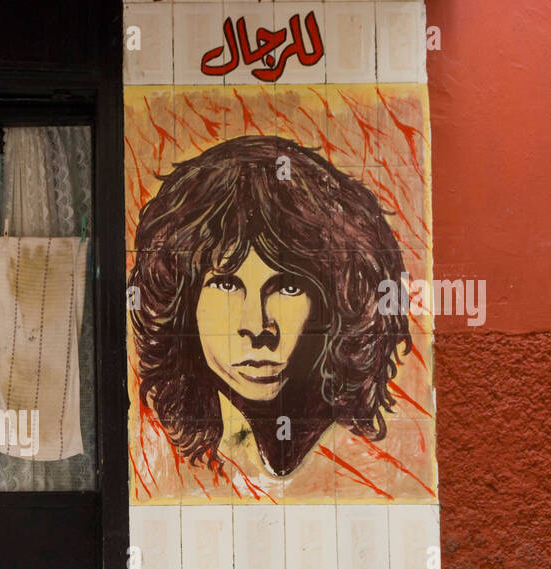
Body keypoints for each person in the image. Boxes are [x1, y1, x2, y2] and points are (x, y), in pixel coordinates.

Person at [130, 134, 413, 488]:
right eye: (227, 284)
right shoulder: (165, 466)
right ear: (182, 303)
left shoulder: (370, 470)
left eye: (289, 287)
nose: (256, 326)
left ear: (339, 302)